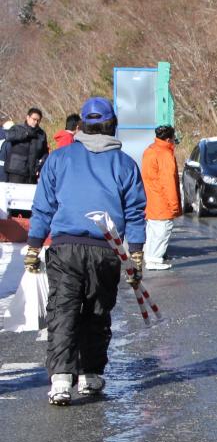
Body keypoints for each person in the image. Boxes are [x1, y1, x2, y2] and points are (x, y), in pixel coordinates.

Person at [23, 97, 146, 406]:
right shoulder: (124, 163)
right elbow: (135, 211)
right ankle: (90, 374)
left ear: (81, 126)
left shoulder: (59, 159)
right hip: (107, 249)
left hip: (65, 247)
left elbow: (43, 207)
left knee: (63, 310)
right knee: (97, 311)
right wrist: (137, 253)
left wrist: (34, 245)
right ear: (111, 125)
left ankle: (61, 380)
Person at [141, 125, 182, 270]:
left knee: (152, 229)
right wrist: (174, 204)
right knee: (163, 229)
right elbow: (168, 182)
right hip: (162, 200)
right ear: (169, 138)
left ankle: (149, 255)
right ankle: (155, 259)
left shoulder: (149, 150)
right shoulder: (165, 154)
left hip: (151, 198)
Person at [4, 107, 49, 184]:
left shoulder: (41, 134)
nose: (36, 122)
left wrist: (42, 162)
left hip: (32, 172)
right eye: (34, 119)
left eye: (38, 120)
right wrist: (26, 134)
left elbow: (45, 152)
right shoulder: (18, 128)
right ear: (28, 117)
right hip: (16, 171)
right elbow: (8, 136)